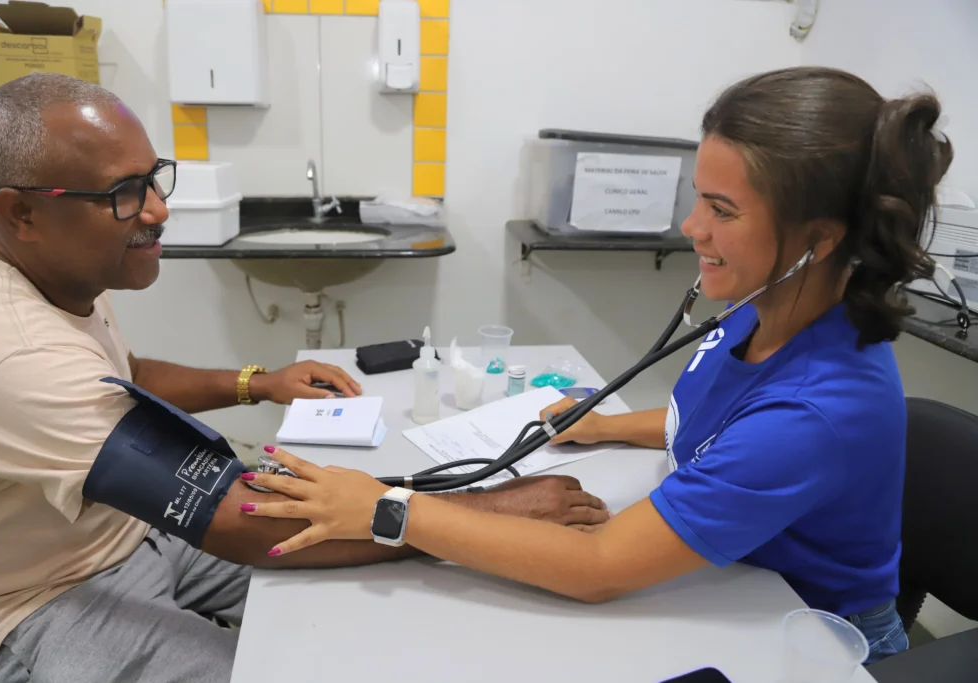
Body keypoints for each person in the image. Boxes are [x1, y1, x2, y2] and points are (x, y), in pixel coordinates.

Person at [240, 66, 955, 665]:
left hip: (804, 638)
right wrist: (611, 426)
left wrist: (387, 509)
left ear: (817, 240)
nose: (691, 227)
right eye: (698, 198)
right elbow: (715, 419)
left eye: (721, 209)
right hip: (732, 579)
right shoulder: (770, 304)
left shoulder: (820, 408)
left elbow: (600, 565)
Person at [0, 73, 610, 683]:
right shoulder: (8, 351)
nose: (157, 210)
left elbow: (123, 377)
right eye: (123, 194)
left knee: (390, 588)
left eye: (154, 179)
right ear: (23, 213)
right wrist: (492, 513)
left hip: (130, 527)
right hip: (35, 599)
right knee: (293, 662)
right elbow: (236, 521)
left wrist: (259, 383)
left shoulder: (54, 269)